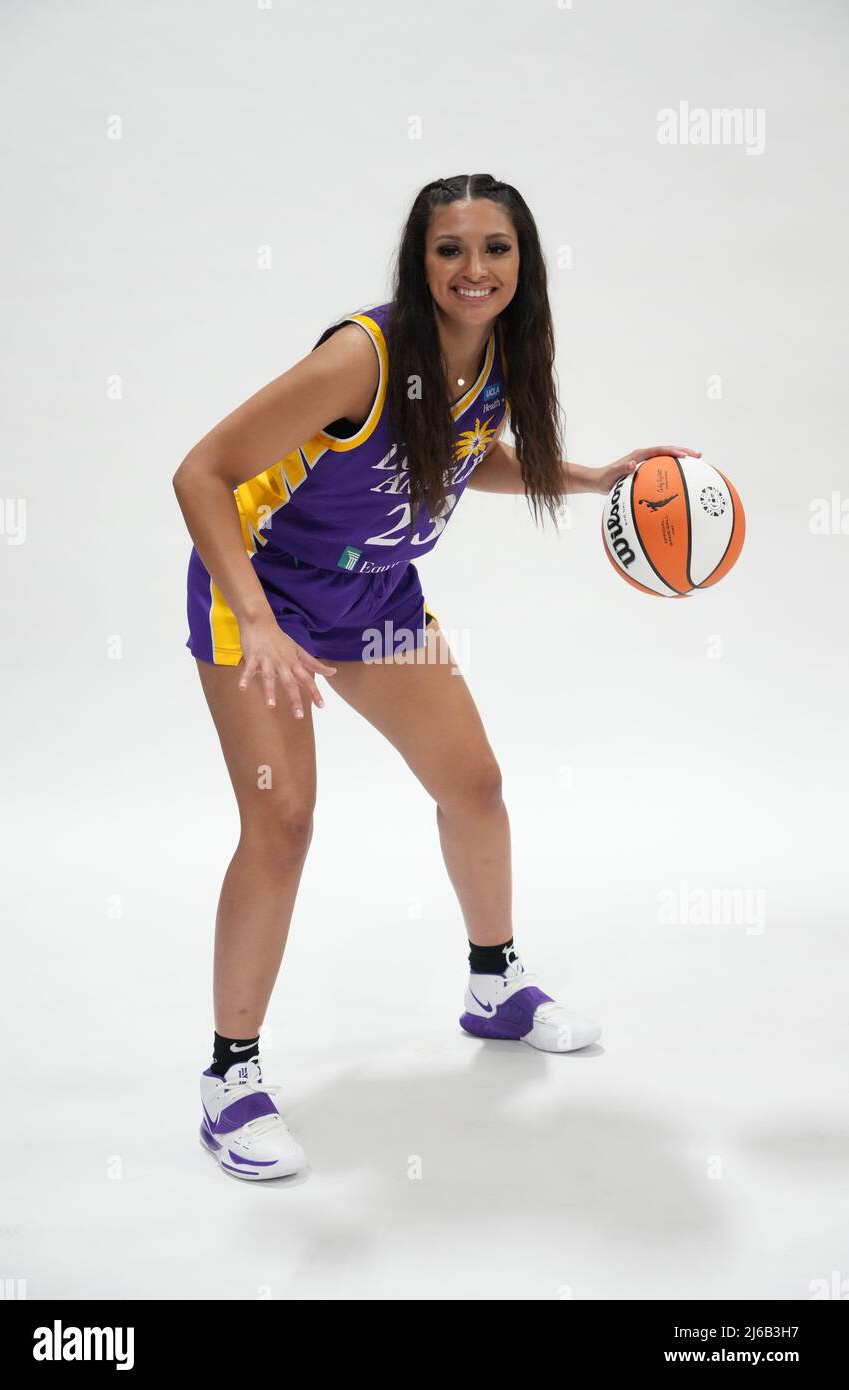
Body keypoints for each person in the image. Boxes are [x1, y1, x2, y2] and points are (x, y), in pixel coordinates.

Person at [173, 172, 701, 1181]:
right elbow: (201, 471)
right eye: (449, 249)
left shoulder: (498, 352)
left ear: (521, 262)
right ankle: (229, 1078)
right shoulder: (359, 356)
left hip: (374, 598)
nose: (473, 269)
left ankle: (493, 986)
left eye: (494, 249)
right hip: (259, 598)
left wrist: (588, 477)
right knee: (281, 826)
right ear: (418, 263)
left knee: (474, 786)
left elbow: (460, 454)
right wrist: (256, 620)